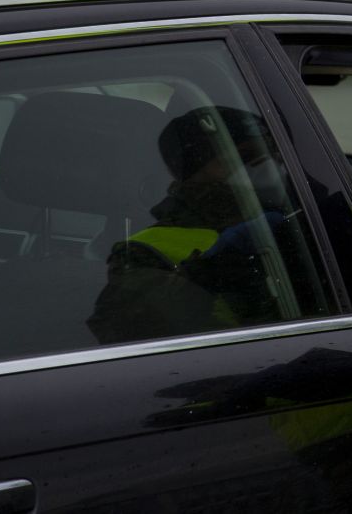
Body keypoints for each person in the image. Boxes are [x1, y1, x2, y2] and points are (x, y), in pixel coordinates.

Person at [88, 106, 290, 344]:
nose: (267, 168)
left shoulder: (297, 219)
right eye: (245, 159)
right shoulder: (141, 252)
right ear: (196, 170)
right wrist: (201, 276)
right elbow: (124, 334)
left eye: (273, 154)